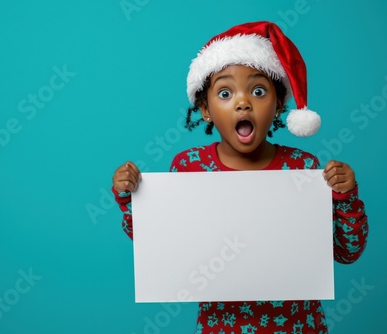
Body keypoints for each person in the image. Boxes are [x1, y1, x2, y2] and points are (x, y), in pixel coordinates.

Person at [111, 21, 368, 334]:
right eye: (224, 92)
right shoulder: (189, 167)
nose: (243, 102)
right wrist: (131, 197)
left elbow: (346, 251)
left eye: (258, 91)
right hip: (220, 328)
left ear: (278, 106)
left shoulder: (303, 168)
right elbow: (163, 246)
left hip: (300, 327)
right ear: (205, 109)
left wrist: (346, 195)